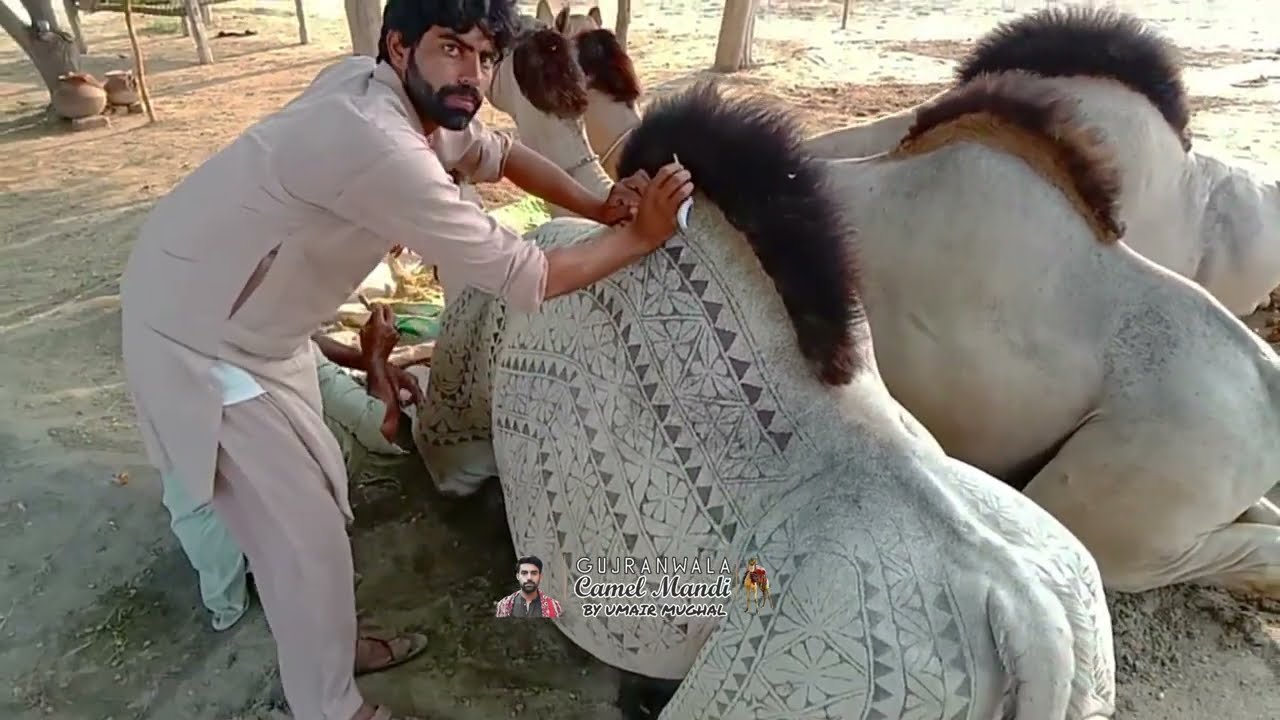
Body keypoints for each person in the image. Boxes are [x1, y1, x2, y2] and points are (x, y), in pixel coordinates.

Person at [117, 0, 694, 715]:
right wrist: (639, 238)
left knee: (324, 495)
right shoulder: (378, 143)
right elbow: (528, 277)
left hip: (257, 327)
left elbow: (502, 154)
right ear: (398, 46)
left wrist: (601, 204)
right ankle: (332, 703)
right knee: (304, 539)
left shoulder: (410, 106)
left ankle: (329, 637)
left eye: (483, 57)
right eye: (451, 48)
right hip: (200, 338)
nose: (470, 74)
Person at [163, 305, 422, 633]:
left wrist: (364, 359)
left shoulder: (197, 316)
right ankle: (290, 570)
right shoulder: (275, 343)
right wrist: (375, 361)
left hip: (203, 532)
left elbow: (303, 339)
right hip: (249, 538)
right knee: (335, 432)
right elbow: (381, 426)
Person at [494, 555, 562, 618]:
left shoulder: (554, 606)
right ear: (518, 576)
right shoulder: (504, 605)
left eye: (534, 573)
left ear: (540, 576)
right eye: (524, 573)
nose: (529, 578)